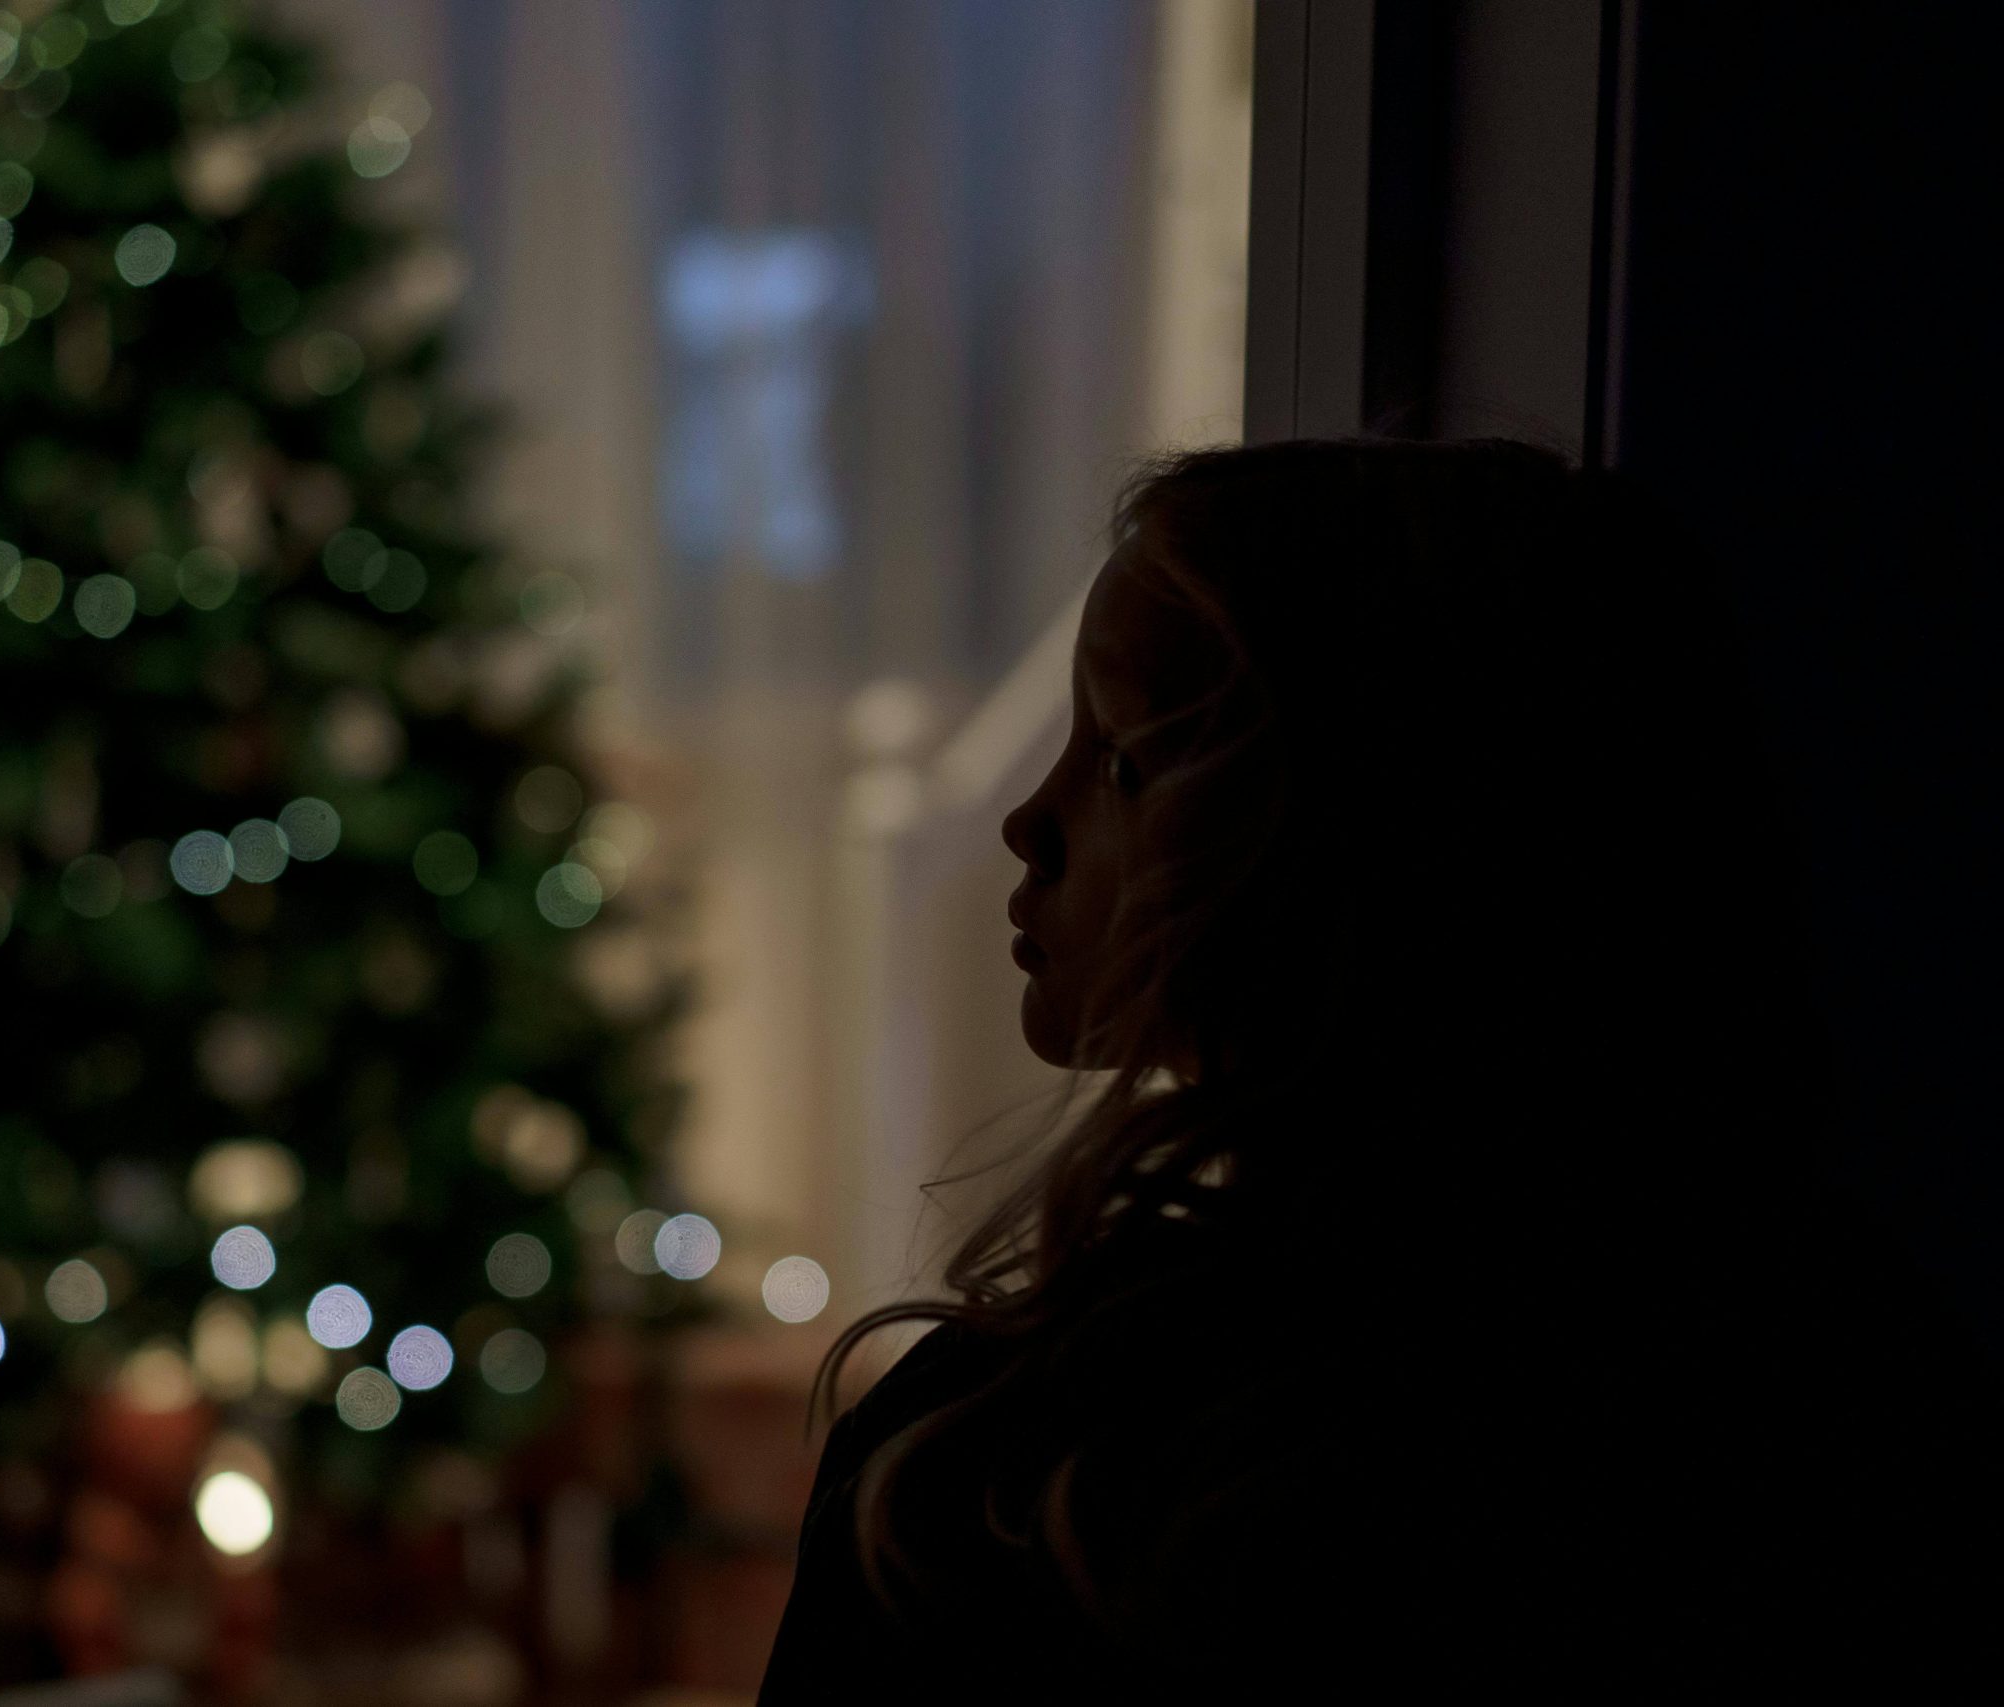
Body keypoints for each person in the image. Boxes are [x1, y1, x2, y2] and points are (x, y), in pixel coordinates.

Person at [757, 439, 2004, 1699]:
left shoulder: (1026, 1463)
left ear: (1359, 858)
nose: (1030, 824)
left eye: (1124, 761)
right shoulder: (1842, 1370)